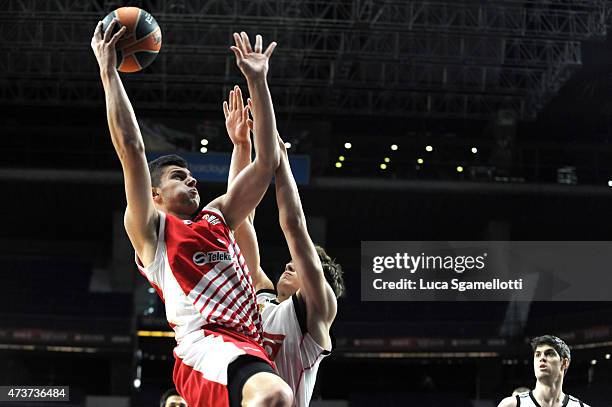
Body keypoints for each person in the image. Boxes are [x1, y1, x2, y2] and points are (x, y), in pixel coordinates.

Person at [91, 20, 292, 407]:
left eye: (192, 175)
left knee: (278, 396)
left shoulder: (217, 216)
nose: (193, 180)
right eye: (180, 177)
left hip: (248, 342)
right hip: (206, 346)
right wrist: (107, 71)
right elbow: (131, 149)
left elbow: (266, 162)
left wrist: (258, 82)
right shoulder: (151, 230)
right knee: (274, 396)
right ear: (155, 194)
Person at [223, 94, 344, 406]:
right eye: (289, 264)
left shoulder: (316, 312)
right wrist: (241, 147)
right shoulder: (263, 298)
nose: (289, 267)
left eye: (299, 266)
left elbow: (293, 225)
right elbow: (237, 222)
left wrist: (282, 164)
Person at [498, 335, 589, 407]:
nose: (542, 358)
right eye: (537, 355)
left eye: (549, 353)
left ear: (564, 363)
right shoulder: (511, 405)